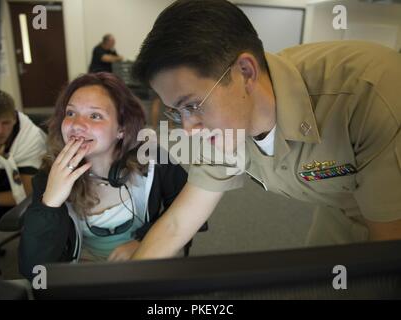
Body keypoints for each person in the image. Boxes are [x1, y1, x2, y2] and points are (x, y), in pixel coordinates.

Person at [129, 0, 401, 260]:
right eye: (177, 111)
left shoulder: (368, 98)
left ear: (245, 72)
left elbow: (387, 252)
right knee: (324, 281)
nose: (188, 129)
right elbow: (178, 222)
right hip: (340, 203)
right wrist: (128, 282)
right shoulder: (219, 125)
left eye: (192, 104)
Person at [18, 72, 187, 280]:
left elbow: (188, 212)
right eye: (70, 113)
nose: (77, 125)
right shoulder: (50, 176)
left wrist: (145, 241)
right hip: (82, 278)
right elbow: (33, 271)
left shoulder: (153, 160)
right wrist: (49, 203)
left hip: (144, 268)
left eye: (95, 116)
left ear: (122, 129)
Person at [0, 90, 47, 224]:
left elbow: (26, 194)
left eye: (6, 123)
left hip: (12, 201)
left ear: (14, 118)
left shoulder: (30, 139)